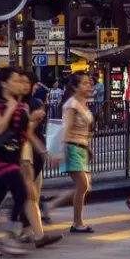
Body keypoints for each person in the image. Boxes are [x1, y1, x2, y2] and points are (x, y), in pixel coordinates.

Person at [0, 67, 58, 256]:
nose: (21, 85)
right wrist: (10, 108)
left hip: (15, 156)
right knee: (22, 193)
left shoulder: (20, 106)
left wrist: (43, 151)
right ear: (4, 83)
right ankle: (10, 239)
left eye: (22, 81)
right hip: (1, 158)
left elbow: (26, 133)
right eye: (16, 81)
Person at [49, 73, 96, 233]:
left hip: (81, 148)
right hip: (72, 148)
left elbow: (85, 130)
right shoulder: (72, 105)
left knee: (85, 187)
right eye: (84, 83)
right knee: (83, 185)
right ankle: (77, 223)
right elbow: (66, 128)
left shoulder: (84, 104)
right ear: (75, 87)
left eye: (89, 83)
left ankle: (49, 206)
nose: (89, 86)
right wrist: (60, 151)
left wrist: (88, 148)